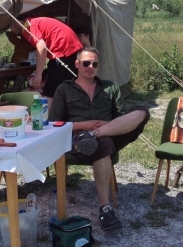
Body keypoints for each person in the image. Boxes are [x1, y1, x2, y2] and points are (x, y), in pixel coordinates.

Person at [49, 47, 150, 231]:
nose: (91, 67)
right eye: (86, 63)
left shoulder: (110, 87)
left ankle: (96, 134)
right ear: (77, 64)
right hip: (79, 138)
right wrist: (81, 125)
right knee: (102, 145)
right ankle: (105, 208)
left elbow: (122, 117)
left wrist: (106, 126)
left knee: (142, 112)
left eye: (95, 64)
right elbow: (55, 123)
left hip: (111, 132)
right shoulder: (64, 89)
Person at [9, 16, 83, 103]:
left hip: (63, 50)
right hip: (70, 48)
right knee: (66, 86)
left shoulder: (27, 27)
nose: (12, 31)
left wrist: (38, 75)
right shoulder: (32, 22)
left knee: (51, 91)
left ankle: (49, 111)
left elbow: (41, 46)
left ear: (15, 22)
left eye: (10, 27)